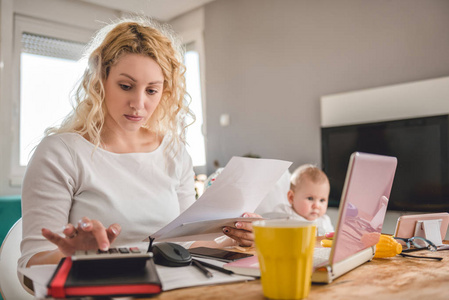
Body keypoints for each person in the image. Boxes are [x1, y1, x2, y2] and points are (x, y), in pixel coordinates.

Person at [19, 17, 257, 287]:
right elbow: (29, 267)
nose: (139, 104)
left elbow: (185, 245)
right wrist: (75, 256)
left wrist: (234, 235)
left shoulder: (174, 152)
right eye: (125, 86)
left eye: (152, 90)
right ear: (100, 81)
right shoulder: (60, 153)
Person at [264, 164, 334, 236]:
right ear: (291, 197)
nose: (316, 206)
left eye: (322, 200)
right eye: (310, 198)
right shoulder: (284, 213)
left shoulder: (324, 221)